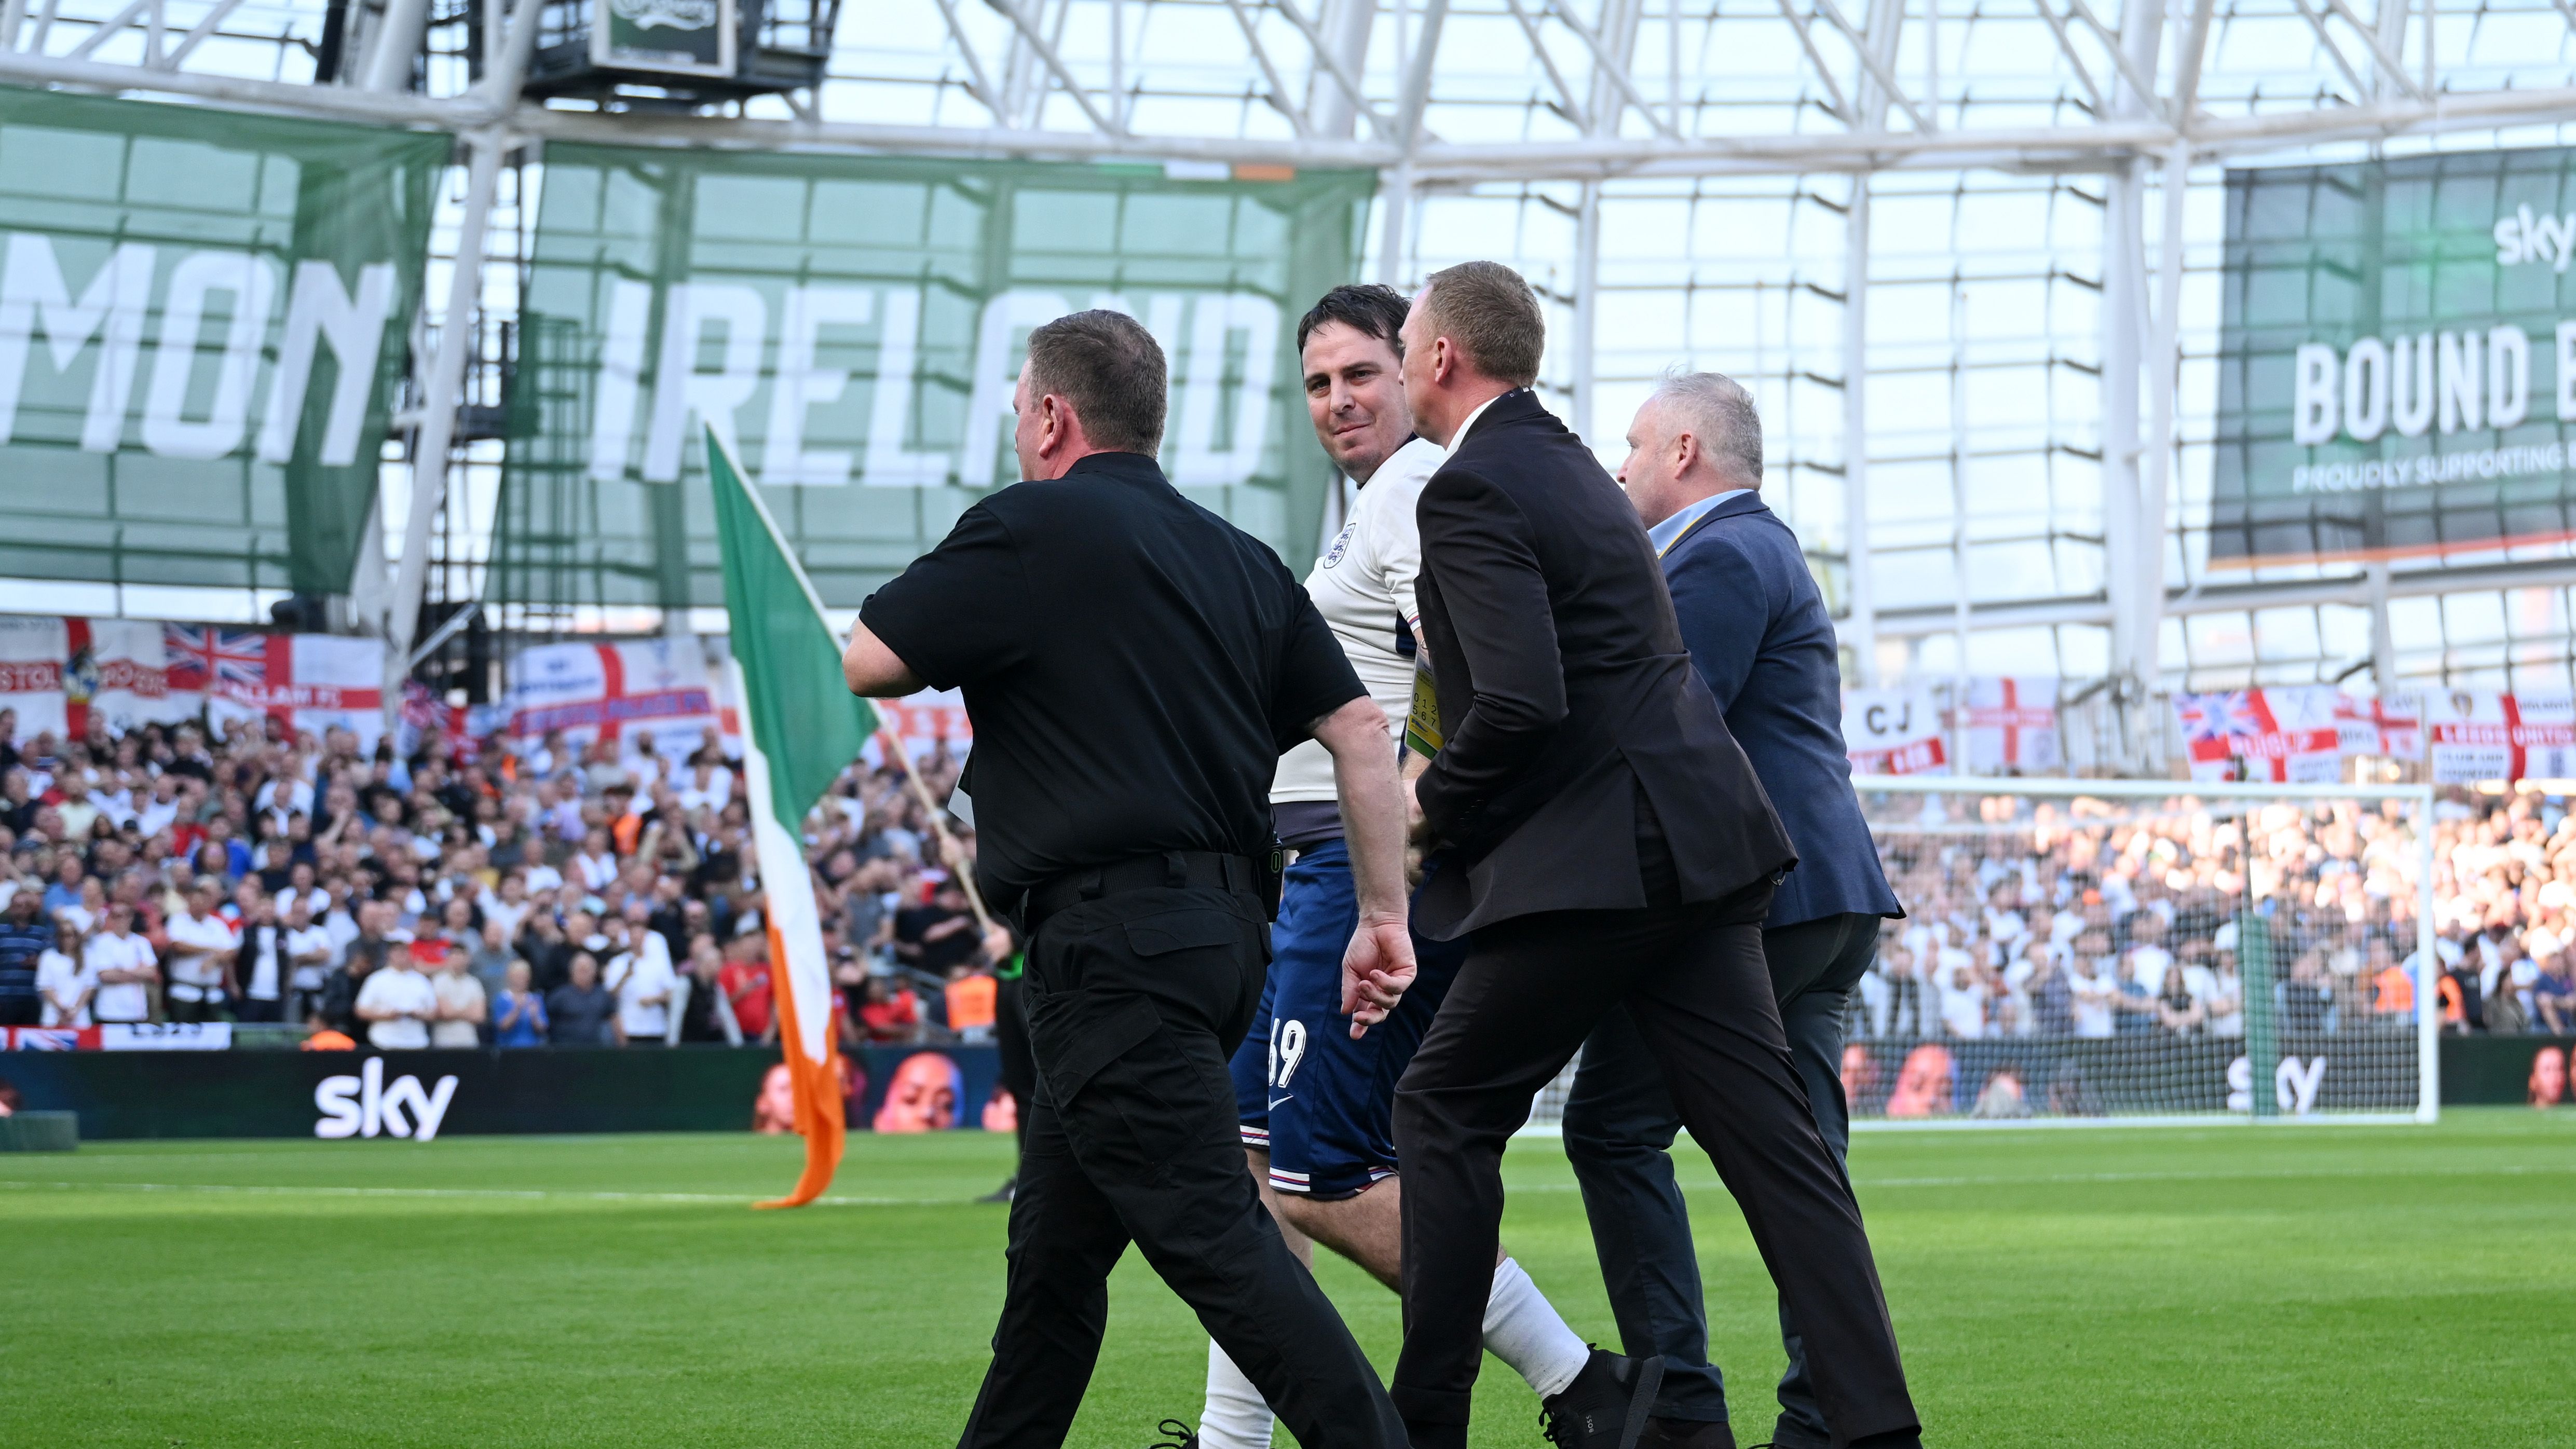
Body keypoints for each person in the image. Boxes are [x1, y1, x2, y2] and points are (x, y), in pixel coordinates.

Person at [840, 307, 1416, 1448]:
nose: (1017, 434)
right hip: (1217, 942)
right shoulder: (1240, 557)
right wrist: (1383, 914)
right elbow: (1359, 728)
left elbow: (869, 659)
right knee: (1053, 1267)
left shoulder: (1027, 527)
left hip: (1111, 949)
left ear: (1053, 417)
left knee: (1223, 1249)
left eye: (1018, 413)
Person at [1383, 263, 1919, 1449]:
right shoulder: (1572, 466)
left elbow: (1520, 704)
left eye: (1399, 345)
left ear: (1438, 360)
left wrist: (1424, 822)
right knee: (1779, 1156)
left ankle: (1427, 1424)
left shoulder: (1473, 486)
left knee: (1441, 1106)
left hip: (1602, 864)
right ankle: (1870, 1427)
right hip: (1711, 860)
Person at [1198, 283, 1593, 1449]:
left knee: (1323, 1171)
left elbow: (1457, 666)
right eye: (1318, 382)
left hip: (1357, 868)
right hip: (1323, 862)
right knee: (1259, 1171)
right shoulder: (1378, 500)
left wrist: (1406, 825)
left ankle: (1582, 1383)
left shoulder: (1420, 486)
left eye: (1361, 373)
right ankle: (1232, 1441)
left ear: (1420, 365)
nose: (1338, 400)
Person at [1558, 368, 1913, 1449]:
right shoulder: (1765, 546)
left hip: (1753, 903)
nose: (1616, 467)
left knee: (1611, 1129)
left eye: (1630, 444)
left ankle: (1680, 1406)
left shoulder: (1713, 556)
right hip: (1828, 891)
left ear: (1681, 453)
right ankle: (1826, 1414)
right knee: (1803, 1161)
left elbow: (1661, 728)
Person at [162, 879, 236, 1023]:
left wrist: (214, 959)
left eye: (202, 902)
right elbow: (178, 946)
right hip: (184, 991)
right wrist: (210, 949)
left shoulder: (217, 925)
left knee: (211, 1037)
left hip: (211, 993)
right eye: (195, 902)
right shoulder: (179, 921)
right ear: (189, 902)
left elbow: (231, 952)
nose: (198, 906)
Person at [355, 942, 438, 1050]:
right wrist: (386, 1015)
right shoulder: (377, 979)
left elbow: (434, 1012)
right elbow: (361, 1010)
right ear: (389, 955)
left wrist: (418, 1014)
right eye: (397, 952)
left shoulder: (421, 980)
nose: (401, 956)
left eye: (404, 952)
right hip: (384, 1042)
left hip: (416, 1043)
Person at [85, 902, 158, 1025]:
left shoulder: (142, 943)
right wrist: (137, 972)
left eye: (125, 915)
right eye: (116, 916)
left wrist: (121, 971)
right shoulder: (102, 942)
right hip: (109, 1011)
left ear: (131, 918)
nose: (121, 920)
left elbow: (151, 972)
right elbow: (105, 976)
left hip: (136, 1011)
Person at [0, 888, 51, 1027]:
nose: (22, 910)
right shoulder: (1, 931)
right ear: (11, 908)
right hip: (4, 998)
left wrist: (38, 963)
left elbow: (51, 962)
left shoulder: (41, 933)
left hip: (31, 998)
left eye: (26, 906)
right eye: (18, 906)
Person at [546, 952, 620, 1046]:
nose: (583, 975)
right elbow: (545, 1022)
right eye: (580, 970)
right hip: (564, 1051)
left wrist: (623, 1047)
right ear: (572, 972)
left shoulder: (603, 995)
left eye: (586, 970)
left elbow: (614, 1019)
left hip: (595, 1051)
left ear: (594, 972)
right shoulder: (559, 996)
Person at [36, 913, 94, 1027]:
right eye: (63, 935)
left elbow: (90, 986)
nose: (67, 939)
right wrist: (62, 1010)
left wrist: (75, 1010)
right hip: (53, 1016)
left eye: (71, 935)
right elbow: (45, 985)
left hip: (80, 1018)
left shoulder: (88, 956)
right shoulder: (48, 956)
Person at [429, 943, 487, 1048]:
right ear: (448, 958)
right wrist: (468, 1011)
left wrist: (454, 1012)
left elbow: (479, 1016)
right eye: (455, 956)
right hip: (444, 1042)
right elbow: (446, 1013)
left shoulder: (474, 983)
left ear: (468, 959)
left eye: (462, 956)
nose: (458, 960)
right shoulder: (439, 980)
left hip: (469, 1041)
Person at [492, 960, 549, 1048]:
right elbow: (502, 1027)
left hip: (533, 1048)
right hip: (508, 1048)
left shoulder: (536, 999)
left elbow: (543, 1028)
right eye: (517, 977)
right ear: (510, 977)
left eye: (523, 977)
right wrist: (517, 1009)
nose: (520, 980)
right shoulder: (502, 998)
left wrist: (534, 1016)